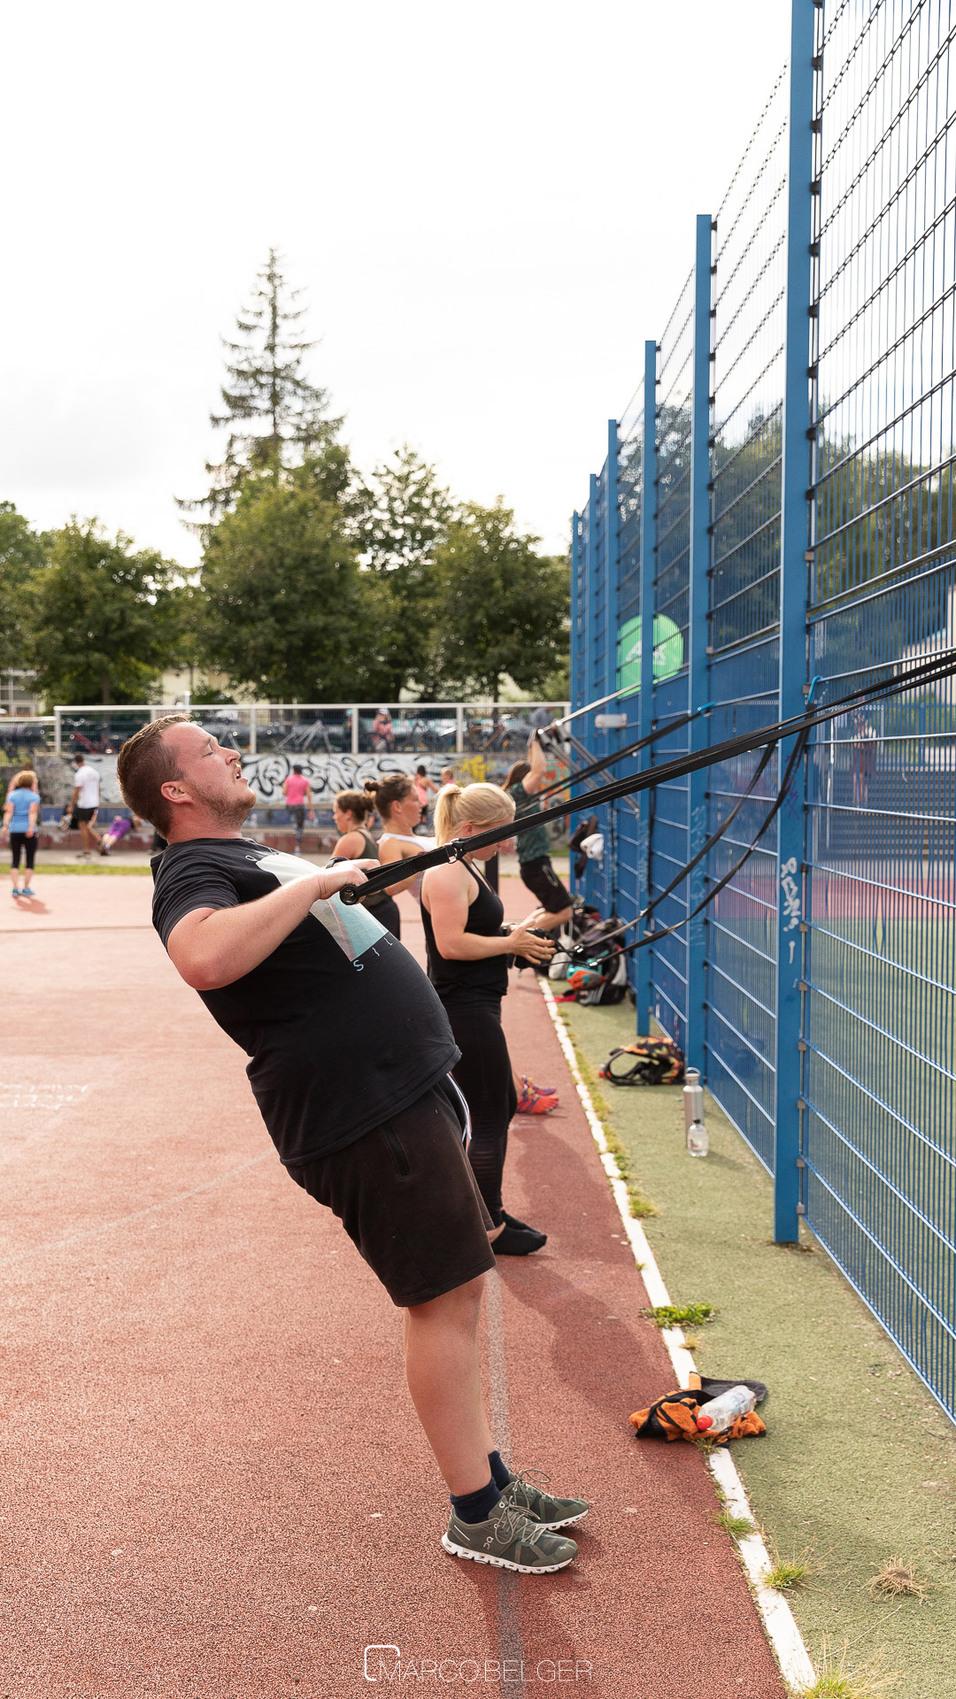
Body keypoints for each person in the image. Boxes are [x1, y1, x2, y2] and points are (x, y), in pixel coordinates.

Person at [116, 714, 587, 1573]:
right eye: (209, 750)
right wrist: (314, 885)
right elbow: (200, 956)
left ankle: (491, 1479)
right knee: (440, 1301)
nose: (229, 751)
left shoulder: (245, 855)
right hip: (363, 1109)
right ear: (176, 791)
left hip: (398, 1091)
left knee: (461, 1293)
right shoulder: (193, 867)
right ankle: (475, 1514)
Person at [421, 782, 556, 1256]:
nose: (515, 835)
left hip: (477, 1003)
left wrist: (513, 938)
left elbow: (474, 932)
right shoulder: (445, 872)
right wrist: (509, 944)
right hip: (463, 1008)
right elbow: (451, 945)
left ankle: (482, 1213)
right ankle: (489, 1224)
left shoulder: (467, 865)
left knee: (492, 1105)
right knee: (489, 1111)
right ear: (471, 829)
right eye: (507, 827)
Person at [504, 737, 573, 934]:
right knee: (564, 911)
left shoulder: (521, 796)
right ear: (524, 779)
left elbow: (534, 767)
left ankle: (515, 934)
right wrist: (535, 739)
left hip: (535, 864)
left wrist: (530, 748)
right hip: (535, 865)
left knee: (551, 909)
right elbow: (539, 769)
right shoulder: (518, 794)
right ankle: (516, 939)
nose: (539, 783)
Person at [364, 774, 435, 932]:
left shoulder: (415, 839)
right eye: (415, 799)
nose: (422, 804)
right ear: (397, 806)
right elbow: (390, 886)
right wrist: (417, 865)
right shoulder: (390, 842)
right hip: (446, 919)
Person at [330, 788, 402, 941]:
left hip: (373, 914)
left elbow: (327, 878)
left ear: (348, 813)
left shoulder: (350, 839)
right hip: (384, 910)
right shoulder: (365, 834)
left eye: (336, 812)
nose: (334, 817)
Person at [2, 768, 41, 899]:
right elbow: (32, 813)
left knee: (15, 860)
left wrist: (5, 826)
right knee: (30, 860)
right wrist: (30, 827)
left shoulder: (12, 795)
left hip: (15, 830)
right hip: (29, 831)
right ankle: (25, 888)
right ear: (31, 782)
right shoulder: (34, 796)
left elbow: (8, 812)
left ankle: (15, 889)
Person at [67, 753, 102, 859]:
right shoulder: (94, 772)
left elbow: (77, 791)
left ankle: (87, 850)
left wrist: (71, 805)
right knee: (88, 826)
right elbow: (98, 788)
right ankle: (99, 840)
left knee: (83, 827)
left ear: (75, 763)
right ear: (83, 760)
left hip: (84, 804)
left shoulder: (79, 774)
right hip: (94, 803)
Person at [282, 764, 314, 852]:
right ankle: (297, 846)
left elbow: (284, 792)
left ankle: (290, 846)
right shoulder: (305, 781)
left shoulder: (288, 779)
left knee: (294, 824)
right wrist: (311, 809)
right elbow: (309, 795)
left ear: (294, 770)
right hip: (299, 805)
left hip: (289, 806)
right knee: (300, 827)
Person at [413, 763, 439, 828]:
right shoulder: (426, 780)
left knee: (417, 819)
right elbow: (435, 790)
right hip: (424, 802)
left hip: (417, 801)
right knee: (423, 819)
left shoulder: (415, 779)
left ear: (418, 771)